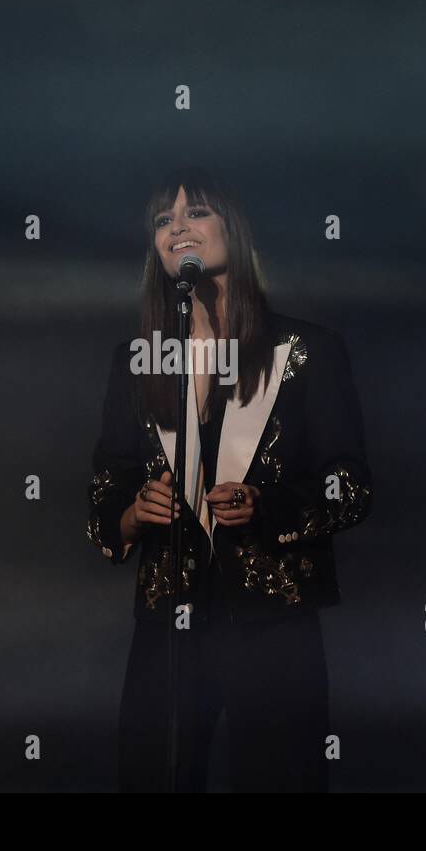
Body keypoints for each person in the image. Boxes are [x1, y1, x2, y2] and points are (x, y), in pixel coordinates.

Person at [86, 167, 372, 792]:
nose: (178, 228)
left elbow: (349, 486)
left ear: (232, 231)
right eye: (164, 220)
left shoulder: (305, 351)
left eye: (196, 214)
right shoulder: (136, 361)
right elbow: (107, 481)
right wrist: (133, 511)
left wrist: (267, 506)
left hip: (273, 621)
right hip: (168, 625)